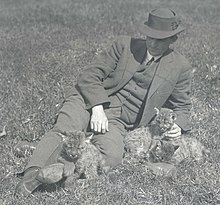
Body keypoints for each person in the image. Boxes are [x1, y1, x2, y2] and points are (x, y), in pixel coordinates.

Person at [15, 8, 192, 196]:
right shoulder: (124, 45)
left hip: (118, 122)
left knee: (112, 157)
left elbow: (182, 106)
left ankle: (49, 154)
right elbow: (89, 75)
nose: (153, 43)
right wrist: (97, 108)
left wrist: (178, 125)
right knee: (66, 131)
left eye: (160, 39)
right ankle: (33, 176)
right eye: (150, 36)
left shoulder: (180, 66)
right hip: (88, 101)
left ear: (173, 39)